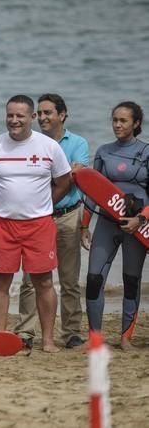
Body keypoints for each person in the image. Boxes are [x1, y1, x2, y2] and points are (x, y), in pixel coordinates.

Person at [0, 94, 71, 353]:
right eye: (10, 115)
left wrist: (44, 204)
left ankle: (47, 340)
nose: (14, 120)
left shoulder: (48, 147)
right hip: (2, 224)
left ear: (32, 117)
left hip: (38, 224)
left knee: (44, 282)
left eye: (20, 116)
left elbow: (64, 181)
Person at [14, 94, 89, 349]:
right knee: (30, 279)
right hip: (36, 218)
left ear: (62, 115)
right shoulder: (30, 142)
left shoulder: (77, 143)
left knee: (69, 279)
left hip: (67, 215)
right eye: (41, 113)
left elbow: (76, 174)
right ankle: (25, 332)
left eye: (49, 113)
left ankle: (70, 333)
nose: (44, 118)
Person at [82, 101, 149, 351]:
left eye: (123, 120)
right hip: (107, 223)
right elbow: (92, 191)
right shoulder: (104, 151)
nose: (118, 125)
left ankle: (125, 339)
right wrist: (84, 226)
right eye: (114, 120)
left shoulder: (146, 152)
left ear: (136, 123)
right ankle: (95, 339)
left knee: (131, 280)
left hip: (137, 226)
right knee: (94, 279)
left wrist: (140, 220)